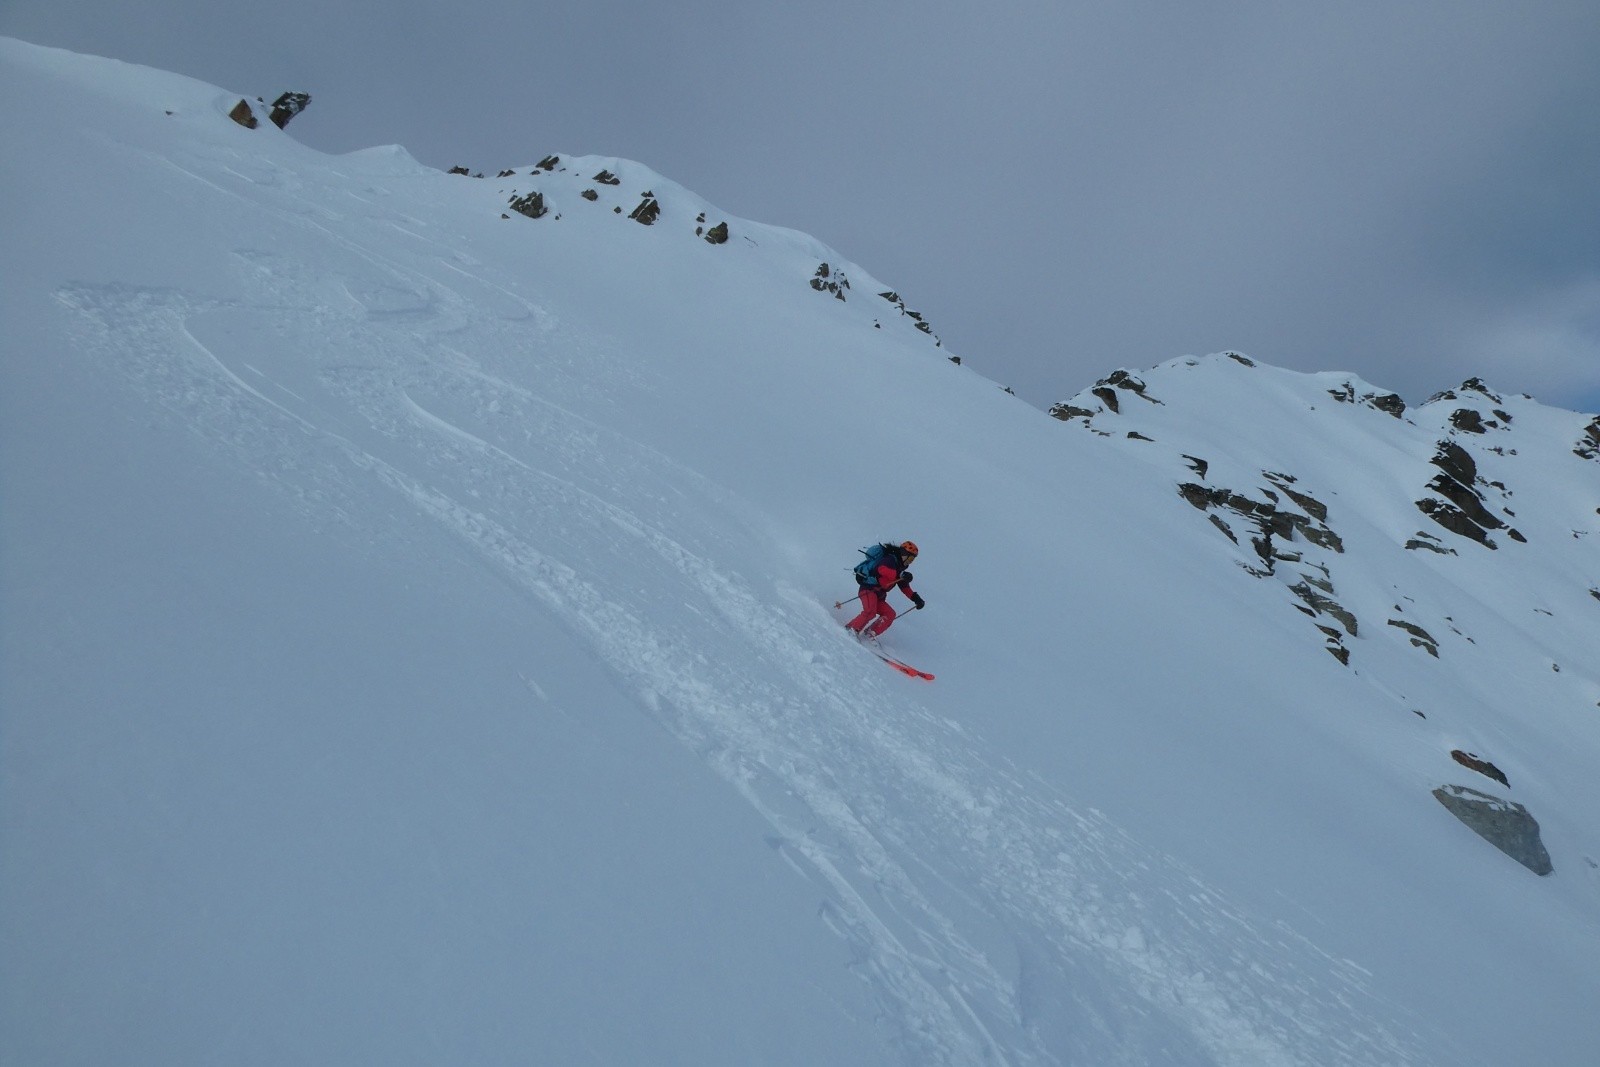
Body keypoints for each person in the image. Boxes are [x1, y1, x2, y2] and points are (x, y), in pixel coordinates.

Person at [846, 540, 925, 638]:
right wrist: (900, 575)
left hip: (879, 595)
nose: (910, 561)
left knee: (890, 613)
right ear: (903, 554)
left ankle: (869, 635)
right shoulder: (890, 559)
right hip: (868, 589)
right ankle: (851, 629)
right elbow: (881, 569)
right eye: (909, 558)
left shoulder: (900, 568)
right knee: (870, 611)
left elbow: (905, 588)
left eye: (912, 560)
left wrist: (916, 599)